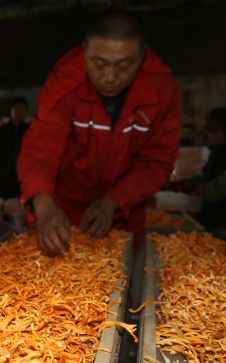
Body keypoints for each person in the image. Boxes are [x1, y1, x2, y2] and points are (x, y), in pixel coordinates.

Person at [17, 10, 180, 254]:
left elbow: (156, 162)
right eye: (99, 63)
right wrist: (43, 205)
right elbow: (41, 147)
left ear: (142, 57)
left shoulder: (162, 90)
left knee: (123, 275)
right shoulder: (65, 84)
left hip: (124, 211)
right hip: (63, 211)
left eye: (123, 65)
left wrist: (113, 201)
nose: (109, 77)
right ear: (85, 51)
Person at [0, 98, 30, 199]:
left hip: (24, 173)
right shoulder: (2, 129)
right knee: (6, 201)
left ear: (26, 113)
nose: (20, 113)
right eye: (17, 109)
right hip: (5, 174)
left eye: (23, 110)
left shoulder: (29, 129)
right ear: (11, 111)